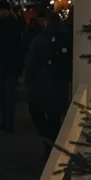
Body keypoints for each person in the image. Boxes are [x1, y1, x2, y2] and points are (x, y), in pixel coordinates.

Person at [23, 11, 72, 157]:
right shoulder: (68, 38)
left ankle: (50, 145)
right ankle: (54, 145)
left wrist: (28, 80)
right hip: (60, 85)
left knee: (38, 114)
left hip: (41, 85)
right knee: (54, 118)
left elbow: (31, 62)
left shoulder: (40, 39)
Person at [0, 0, 23, 131]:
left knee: (8, 95)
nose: (2, 12)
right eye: (0, 10)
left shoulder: (13, 25)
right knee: (1, 95)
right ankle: (5, 121)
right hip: (0, 64)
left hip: (9, 65)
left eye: (4, 10)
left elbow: (19, 47)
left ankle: (8, 122)